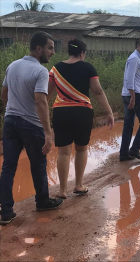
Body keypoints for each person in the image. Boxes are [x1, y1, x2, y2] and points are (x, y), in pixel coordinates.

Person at [0, 31, 63, 225]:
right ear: (39, 48)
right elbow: (41, 102)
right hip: (31, 124)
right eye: (50, 48)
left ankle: (6, 212)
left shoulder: (13, 66)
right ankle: (42, 201)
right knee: (38, 164)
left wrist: (15, 106)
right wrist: (47, 132)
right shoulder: (41, 71)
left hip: (10, 121)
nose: (52, 52)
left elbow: (4, 95)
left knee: (8, 167)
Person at [48, 39, 114, 199]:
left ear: (69, 51)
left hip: (60, 112)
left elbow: (47, 94)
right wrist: (109, 112)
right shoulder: (88, 67)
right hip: (82, 112)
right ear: (82, 53)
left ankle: (62, 190)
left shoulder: (55, 69)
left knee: (63, 152)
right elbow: (97, 91)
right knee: (81, 148)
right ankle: (78, 185)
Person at [119, 38, 140, 162]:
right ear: (137, 46)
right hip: (135, 95)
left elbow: (139, 78)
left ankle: (124, 154)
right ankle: (134, 149)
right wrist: (133, 98)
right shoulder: (134, 58)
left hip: (131, 94)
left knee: (128, 125)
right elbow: (129, 79)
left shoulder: (138, 58)